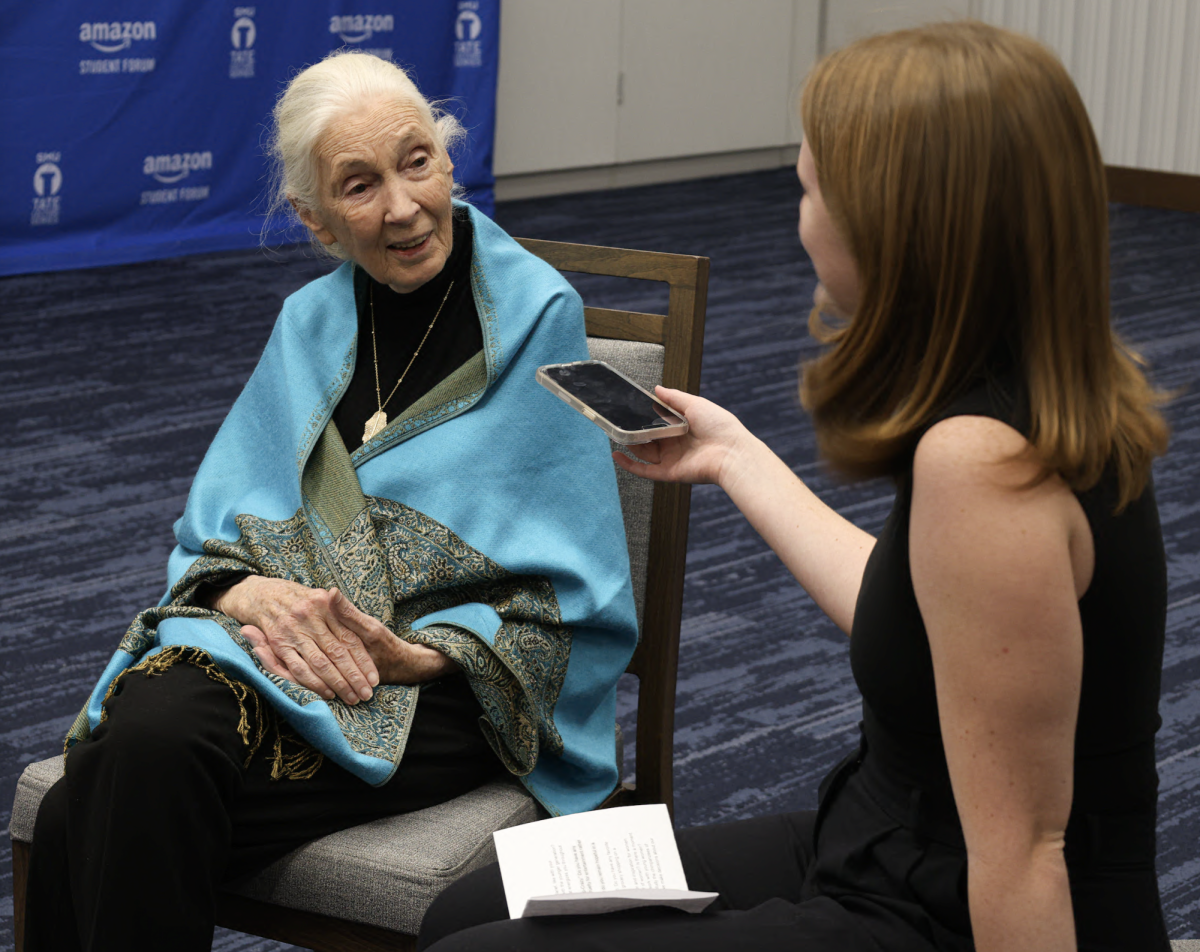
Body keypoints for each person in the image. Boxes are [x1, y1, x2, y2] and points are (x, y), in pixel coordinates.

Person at [417, 21, 1171, 952]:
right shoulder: (1036, 386)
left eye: (809, 189)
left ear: (893, 227)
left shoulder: (981, 462)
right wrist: (735, 456)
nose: (801, 214)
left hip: (945, 904)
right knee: (469, 910)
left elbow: (1025, 854)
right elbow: (931, 620)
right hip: (878, 833)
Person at [24, 50, 638, 951]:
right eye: (359, 185)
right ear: (317, 224)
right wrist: (244, 593)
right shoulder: (309, 323)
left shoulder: (538, 315)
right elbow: (220, 527)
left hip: (457, 689)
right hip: (286, 650)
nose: (401, 206)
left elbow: (567, 600)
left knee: (98, 799)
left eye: (416, 161)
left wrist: (417, 655)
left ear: (448, 159)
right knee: (139, 763)